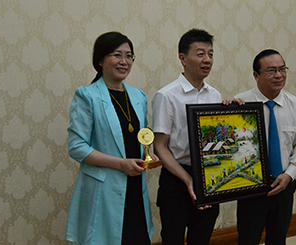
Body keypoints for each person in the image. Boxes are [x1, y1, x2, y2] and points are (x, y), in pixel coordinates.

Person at [65, 32, 157, 245]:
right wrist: (121, 164)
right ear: (100, 60)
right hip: (104, 188)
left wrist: (147, 153)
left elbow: (138, 136)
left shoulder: (138, 96)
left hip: (135, 187)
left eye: (129, 56)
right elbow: (77, 147)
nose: (124, 62)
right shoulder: (87, 95)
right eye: (117, 55)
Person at [152, 28, 226, 245]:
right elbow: (160, 146)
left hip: (208, 176)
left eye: (211, 54)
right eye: (200, 53)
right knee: (173, 238)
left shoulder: (215, 95)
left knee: (201, 237)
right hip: (176, 178)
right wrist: (188, 180)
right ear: (183, 59)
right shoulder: (166, 96)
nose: (207, 60)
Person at [234, 49, 296, 245]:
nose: (279, 75)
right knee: (248, 239)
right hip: (251, 189)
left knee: (278, 239)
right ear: (256, 75)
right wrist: (226, 110)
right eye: (271, 70)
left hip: (284, 184)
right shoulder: (240, 103)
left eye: (282, 69)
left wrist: (289, 175)